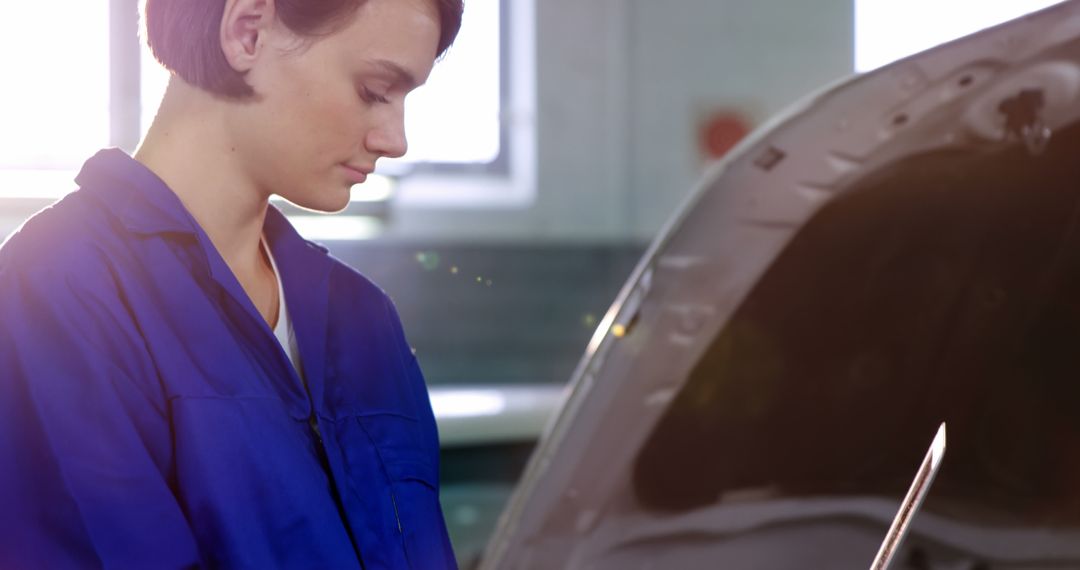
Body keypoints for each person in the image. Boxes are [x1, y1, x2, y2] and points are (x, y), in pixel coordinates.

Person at [0, 0, 462, 567]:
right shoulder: (59, 291)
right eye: (373, 89)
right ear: (247, 31)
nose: (396, 140)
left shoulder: (362, 317)